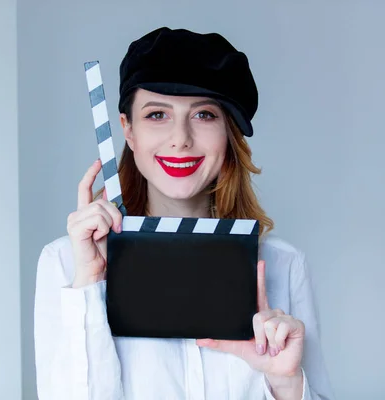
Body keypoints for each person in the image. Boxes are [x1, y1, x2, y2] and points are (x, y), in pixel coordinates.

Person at [34, 27, 334, 400]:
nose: (181, 138)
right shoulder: (66, 263)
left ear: (228, 132)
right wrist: (91, 282)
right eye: (157, 114)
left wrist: (287, 384)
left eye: (204, 115)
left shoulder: (285, 266)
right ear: (128, 130)